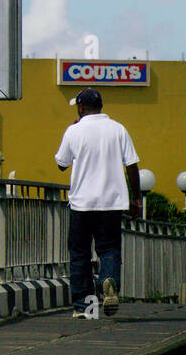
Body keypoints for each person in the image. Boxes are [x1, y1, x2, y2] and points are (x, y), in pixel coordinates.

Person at [55, 87, 142, 319]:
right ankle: (109, 281)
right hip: (112, 204)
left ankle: (85, 307)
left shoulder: (74, 131)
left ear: (81, 108)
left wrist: (74, 132)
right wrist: (136, 198)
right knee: (109, 248)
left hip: (82, 204)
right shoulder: (118, 129)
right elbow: (132, 166)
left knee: (80, 252)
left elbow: (61, 164)